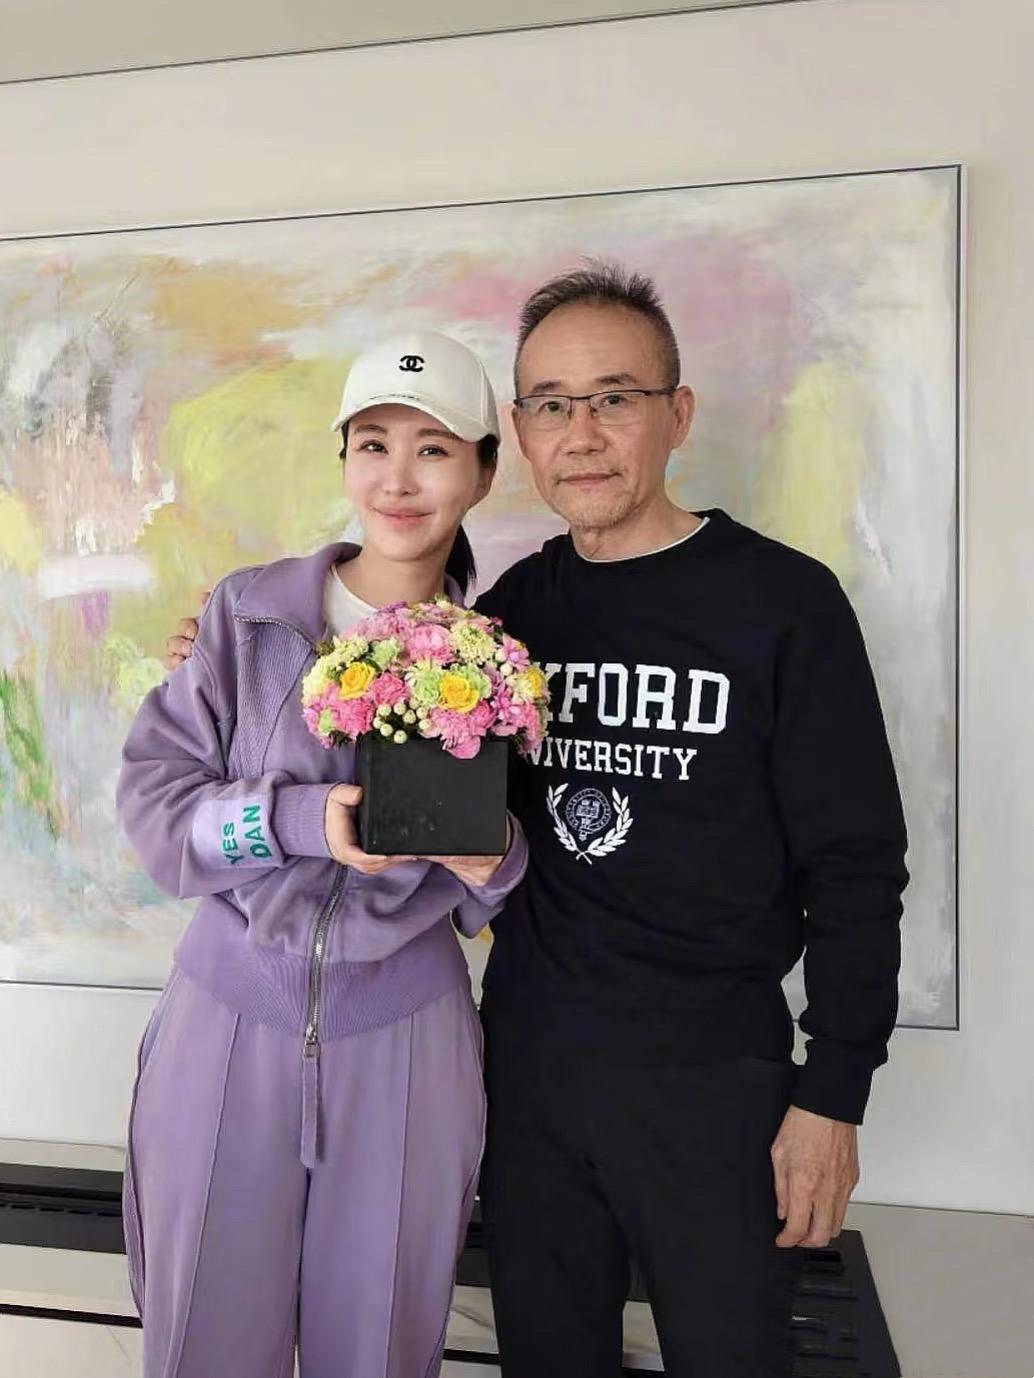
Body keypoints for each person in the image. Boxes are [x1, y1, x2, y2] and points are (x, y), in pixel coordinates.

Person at [165, 266, 909, 1378]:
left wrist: (832, 1093)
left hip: (716, 1082)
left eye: (615, 397)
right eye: (553, 404)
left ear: (677, 413)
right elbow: (419, 816)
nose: (583, 433)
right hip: (526, 1071)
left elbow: (856, 864)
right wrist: (218, 649)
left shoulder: (783, 604)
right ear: (518, 434)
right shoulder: (502, 625)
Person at [118, 329, 528, 1378]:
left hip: (407, 1039)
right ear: (343, 458)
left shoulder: (495, 658)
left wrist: (496, 860)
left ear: (483, 470)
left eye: (434, 450)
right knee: (203, 1338)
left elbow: (502, 880)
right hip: (227, 1019)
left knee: (380, 1345)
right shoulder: (244, 616)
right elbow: (157, 814)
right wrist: (300, 820)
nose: (399, 480)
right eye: (373, 444)